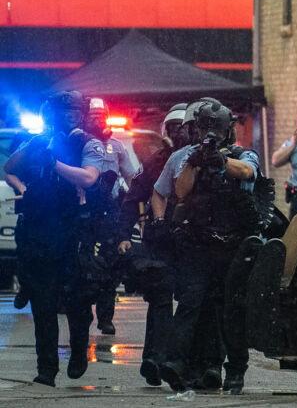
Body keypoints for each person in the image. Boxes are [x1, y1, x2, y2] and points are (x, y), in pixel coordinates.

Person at [159, 100, 261, 394]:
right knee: (190, 303)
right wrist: (195, 161)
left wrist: (221, 161)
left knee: (229, 310)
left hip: (233, 247)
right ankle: (176, 362)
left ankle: (232, 369)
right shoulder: (191, 155)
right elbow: (180, 190)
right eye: (206, 128)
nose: (211, 134)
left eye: (216, 129)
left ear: (228, 131)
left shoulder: (242, 154)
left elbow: (248, 172)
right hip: (199, 244)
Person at [3, 91, 100, 386]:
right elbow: (10, 168)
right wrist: (33, 148)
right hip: (40, 232)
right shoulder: (39, 142)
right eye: (64, 111)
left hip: (73, 231)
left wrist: (54, 162)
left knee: (78, 301)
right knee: (43, 304)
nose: (70, 116)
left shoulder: (88, 143)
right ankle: (46, 369)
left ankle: (79, 352)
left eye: (75, 111)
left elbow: (89, 178)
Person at [118, 103, 190, 386]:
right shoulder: (154, 162)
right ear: (166, 131)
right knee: (160, 297)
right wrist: (123, 235)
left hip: (193, 240)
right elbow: (132, 198)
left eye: (184, 128)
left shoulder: (203, 160)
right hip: (160, 238)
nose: (179, 133)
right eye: (174, 128)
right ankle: (154, 359)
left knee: (191, 301)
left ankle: (181, 361)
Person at [79, 98, 138, 336]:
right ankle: (82, 315)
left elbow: (132, 176)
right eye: (92, 116)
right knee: (82, 263)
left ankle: (105, 318)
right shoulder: (78, 142)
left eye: (100, 116)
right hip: (83, 209)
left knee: (110, 265)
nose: (96, 120)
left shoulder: (117, 146)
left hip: (109, 211)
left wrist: (135, 201)